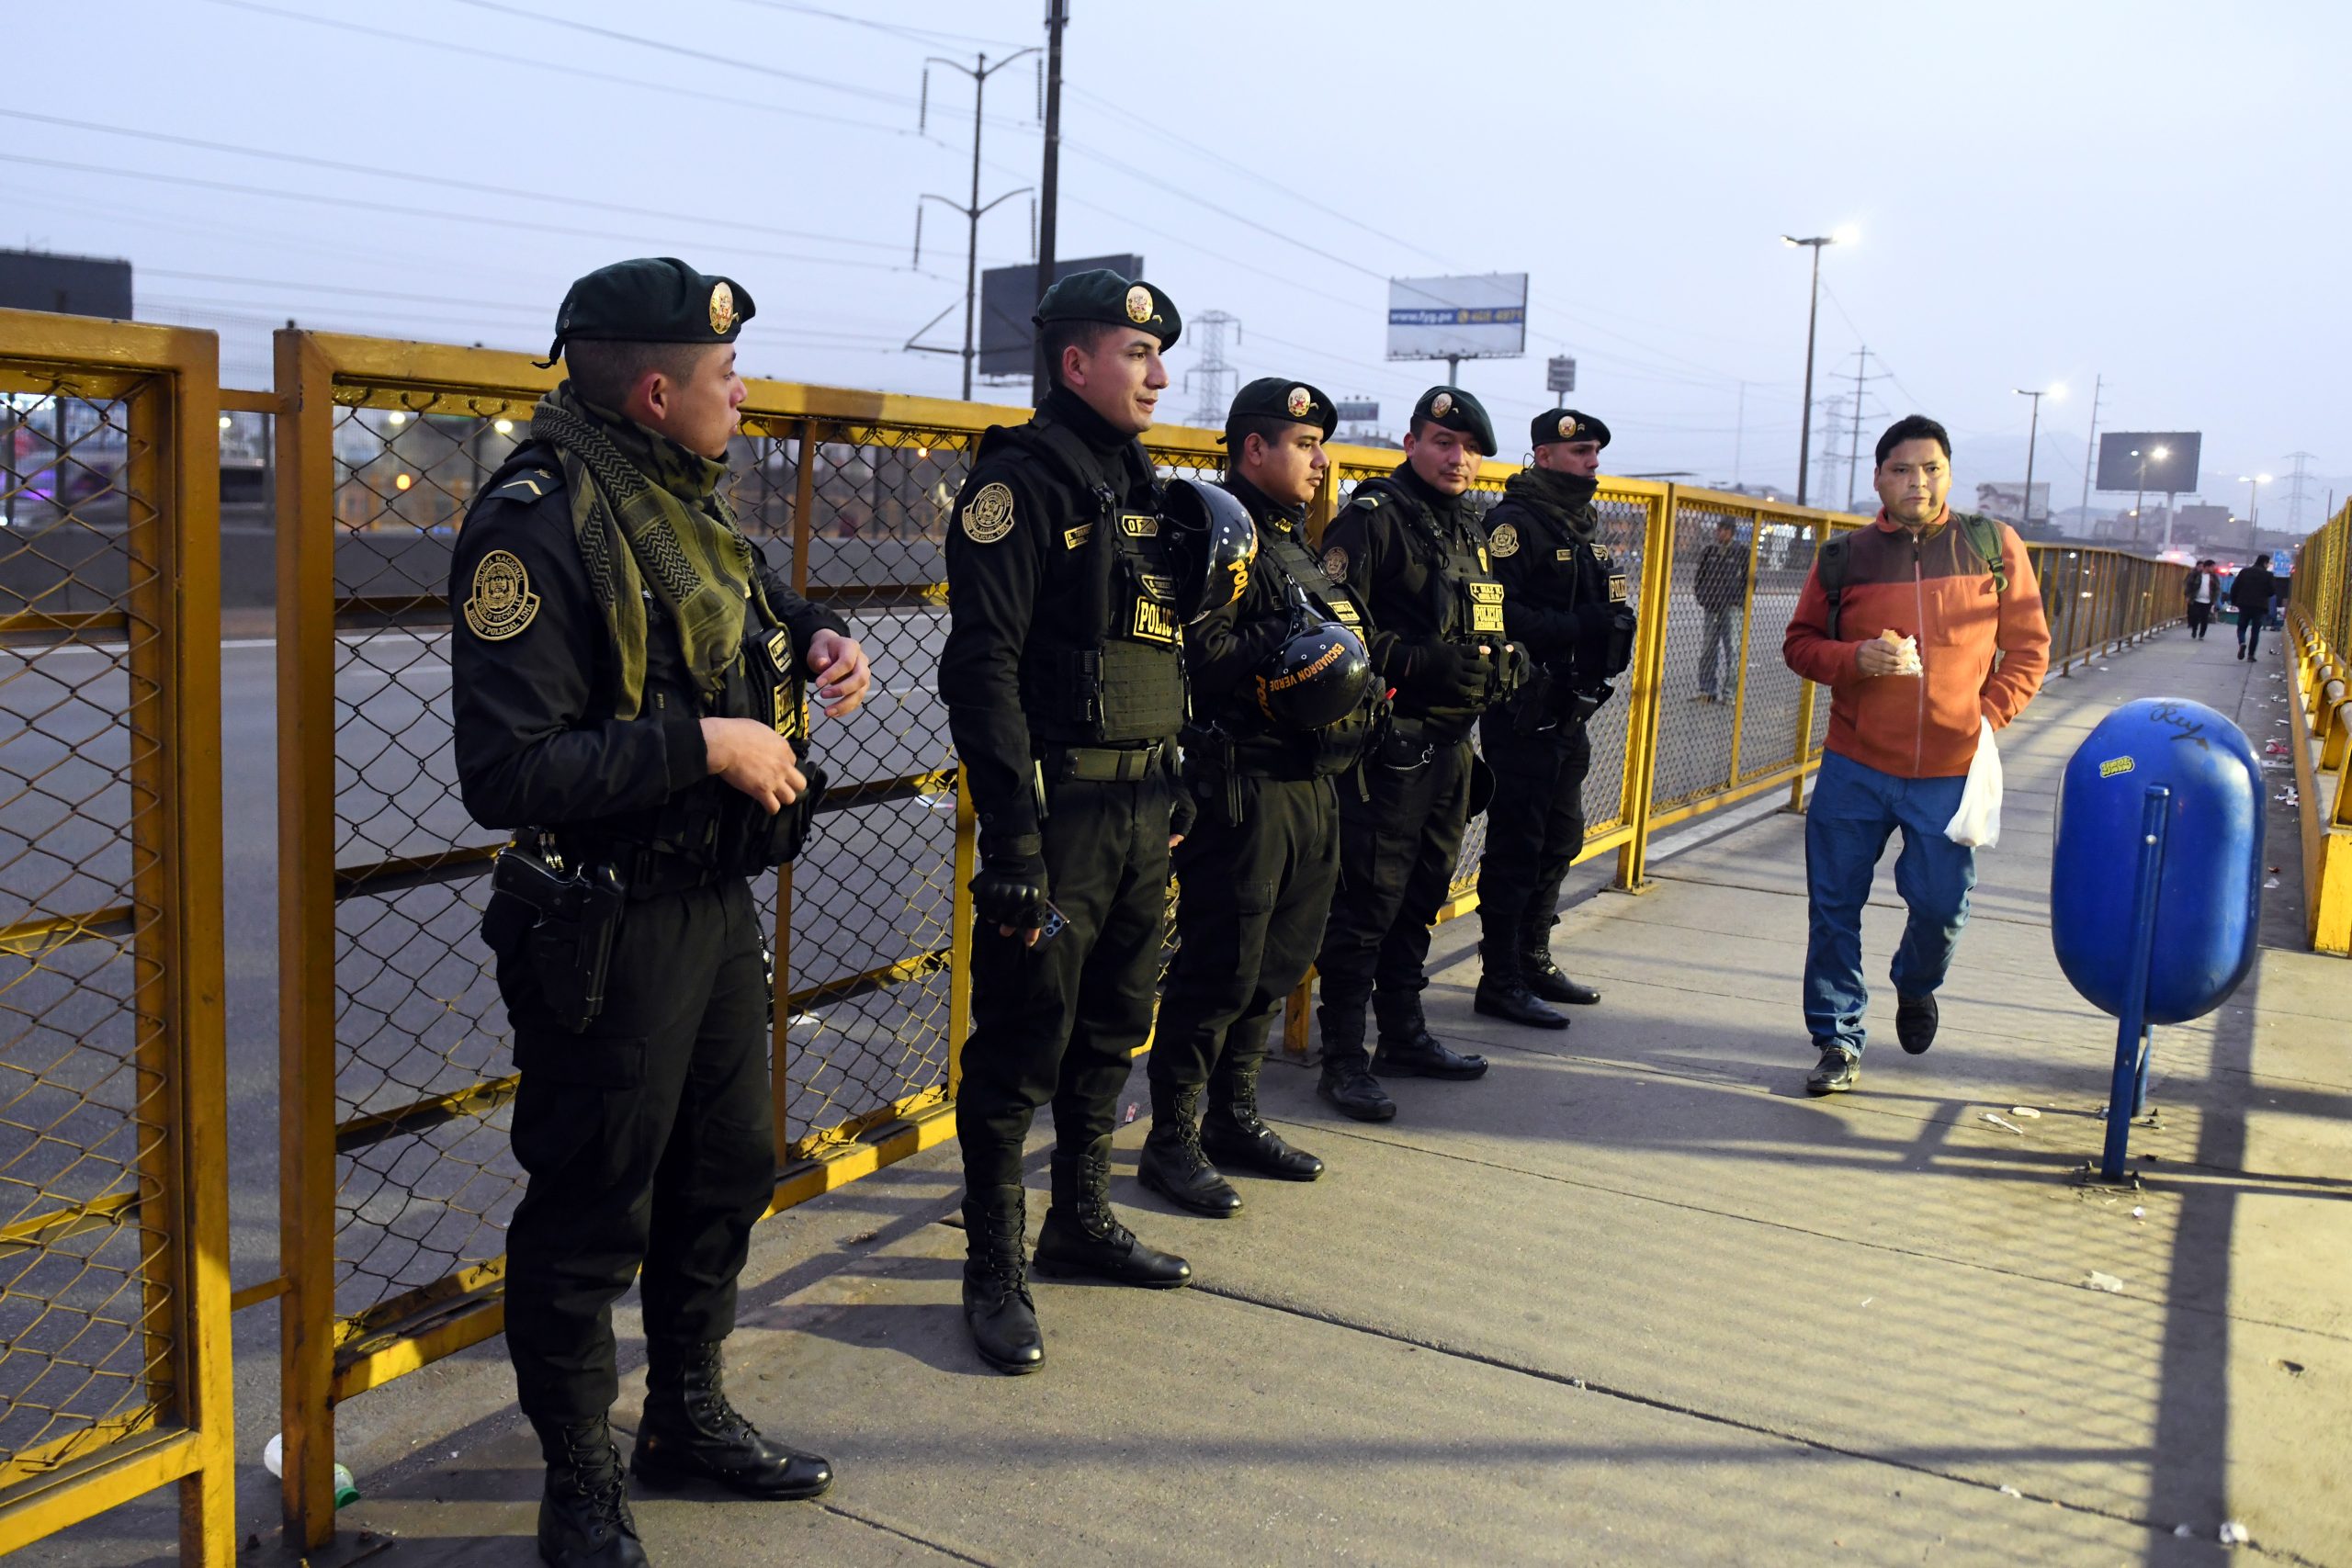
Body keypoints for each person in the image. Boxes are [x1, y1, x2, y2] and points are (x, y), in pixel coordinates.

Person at [450, 257, 873, 1568]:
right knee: (590, 1208)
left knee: (725, 1171)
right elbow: (506, 770)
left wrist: (820, 637)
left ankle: (685, 1414)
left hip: (707, 906)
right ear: (652, 389)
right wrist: (707, 746)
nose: (740, 393)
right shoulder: (538, 519)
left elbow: (753, 604)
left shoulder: (682, 501)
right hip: (607, 922)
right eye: (722, 375)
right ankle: (577, 1476)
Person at [939, 268, 1215, 1375]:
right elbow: (983, 668)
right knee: (1018, 1047)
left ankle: (1078, 1219)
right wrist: (1011, 839)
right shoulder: (1022, 484)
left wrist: (1175, 765)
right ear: (1073, 365)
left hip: (1142, 803)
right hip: (1060, 821)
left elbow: (1155, 640)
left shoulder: (1138, 482)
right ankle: (993, 1265)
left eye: (1158, 356)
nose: (1157, 374)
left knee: (1112, 1025)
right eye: (1136, 355)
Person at [1141, 378, 1385, 1215]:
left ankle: (1233, 1115)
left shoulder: (1296, 541)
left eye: (1321, 445)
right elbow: (1195, 656)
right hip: (1245, 786)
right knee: (1221, 966)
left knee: (1279, 960)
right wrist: (1280, 643)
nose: (1321, 462)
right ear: (1254, 448)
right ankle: (1170, 1137)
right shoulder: (1220, 529)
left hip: (1312, 783)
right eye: (1305, 444)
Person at [1781, 414, 2049, 1096]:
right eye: (1901, 469)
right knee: (1833, 905)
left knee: (1941, 905)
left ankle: (1916, 982)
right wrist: (1855, 657)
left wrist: (1985, 717)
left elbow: (2028, 648)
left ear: (1948, 475)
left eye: (1930, 468)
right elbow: (1801, 642)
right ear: (1879, 479)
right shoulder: (1844, 557)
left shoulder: (1993, 547)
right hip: (1855, 764)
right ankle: (1837, 1037)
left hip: (1949, 772)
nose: (1916, 481)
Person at [1312, 386, 1526, 1120]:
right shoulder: (1372, 522)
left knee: (1422, 895)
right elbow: (1327, 629)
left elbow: (1482, 618)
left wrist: (1505, 661)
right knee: (1367, 902)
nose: (1457, 458)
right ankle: (1342, 1056)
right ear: (1410, 444)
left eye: (1468, 449)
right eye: (1442, 442)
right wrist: (1416, 662)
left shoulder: (1464, 529)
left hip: (1449, 749)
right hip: (1387, 749)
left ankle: (1402, 1032)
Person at [1471, 409, 1632, 1029]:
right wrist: (1580, 626)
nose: (1592, 461)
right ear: (1544, 455)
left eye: (1594, 451)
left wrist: (1613, 621)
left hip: (1571, 709)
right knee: (1520, 843)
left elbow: (1599, 601)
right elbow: (1501, 619)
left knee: (1561, 838)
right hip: (1523, 709)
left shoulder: (1581, 525)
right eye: (1582, 451)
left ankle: (1533, 957)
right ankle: (1501, 977)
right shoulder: (1514, 526)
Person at [1692, 516, 1749, 701]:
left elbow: (1750, 581)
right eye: (1719, 529)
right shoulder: (1710, 552)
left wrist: (1737, 601)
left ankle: (1729, 693)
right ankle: (1707, 690)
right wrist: (1703, 597)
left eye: (1724, 530)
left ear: (1732, 532)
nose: (1720, 533)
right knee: (1708, 648)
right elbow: (1699, 577)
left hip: (1732, 609)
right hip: (1712, 606)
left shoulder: (1742, 553)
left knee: (1732, 650)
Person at [2231, 554, 2277, 660]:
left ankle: (2242, 642)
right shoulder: (2268, 575)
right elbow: (2272, 591)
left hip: (2244, 604)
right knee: (2255, 631)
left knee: (2242, 627)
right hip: (2259, 607)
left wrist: (2234, 601)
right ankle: (2251, 655)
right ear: (2265, 563)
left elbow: (2235, 587)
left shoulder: (2244, 572)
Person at [2183, 558, 2219, 640]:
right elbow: (2189, 585)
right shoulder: (2196, 575)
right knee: (2195, 616)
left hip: (2207, 601)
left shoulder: (2214, 577)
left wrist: (2214, 599)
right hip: (2196, 599)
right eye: (2212, 567)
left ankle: (2202, 634)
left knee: (2204, 618)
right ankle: (2194, 630)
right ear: (2207, 567)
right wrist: (2188, 596)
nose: (2213, 569)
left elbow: (2217, 588)